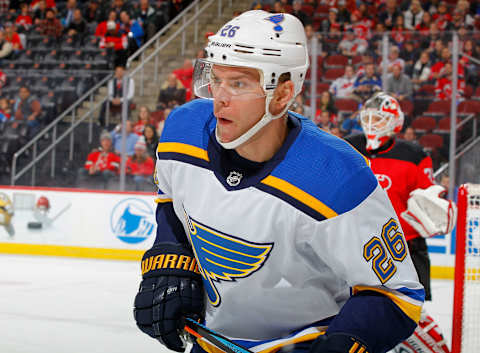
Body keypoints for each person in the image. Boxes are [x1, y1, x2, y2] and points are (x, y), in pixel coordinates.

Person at [133, 10, 424, 353]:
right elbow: (171, 202)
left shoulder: (337, 177)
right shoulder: (182, 131)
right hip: (211, 343)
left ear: (283, 93)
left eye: (238, 83)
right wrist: (170, 260)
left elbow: (396, 295)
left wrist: (343, 344)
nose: (219, 97)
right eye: (216, 77)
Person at [345, 92, 456, 353]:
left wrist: (435, 207)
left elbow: (427, 197)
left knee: (409, 315)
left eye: (378, 117)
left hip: (403, 247)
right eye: (368, 116)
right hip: (356, 246)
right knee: (351, 309)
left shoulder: (413, 155)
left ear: (395, 122)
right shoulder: (348, 147)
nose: (371, 123)